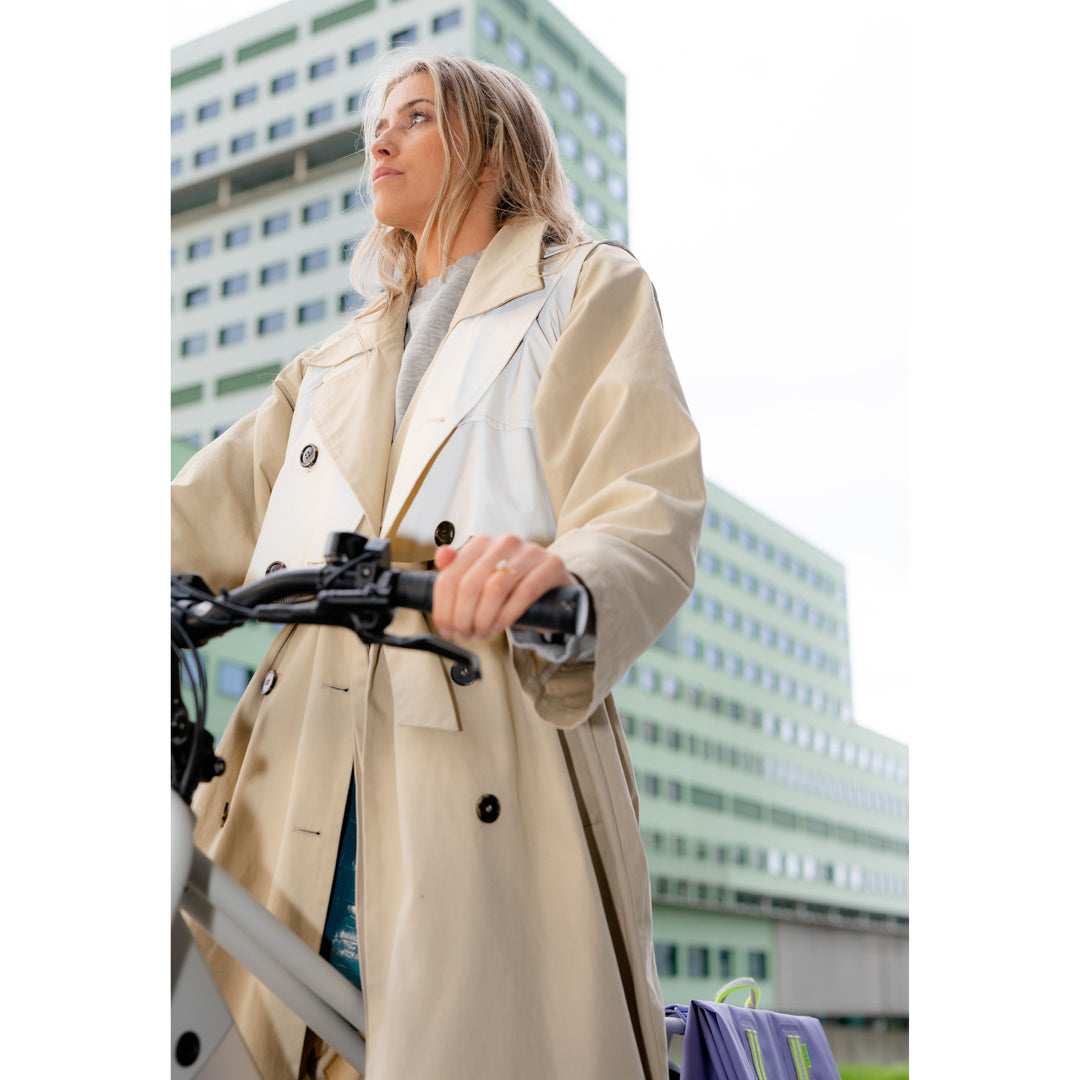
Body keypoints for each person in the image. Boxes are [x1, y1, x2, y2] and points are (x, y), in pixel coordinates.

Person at [172, 53, 705, 1080]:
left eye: (416, 117)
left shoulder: (584, 288)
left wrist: (563, 579)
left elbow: (648, 496)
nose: (380, 140)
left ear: (495, 148)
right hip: (291, 768)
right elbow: (198, 512)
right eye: (378, 121)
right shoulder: (330, 363)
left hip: (479, 757)